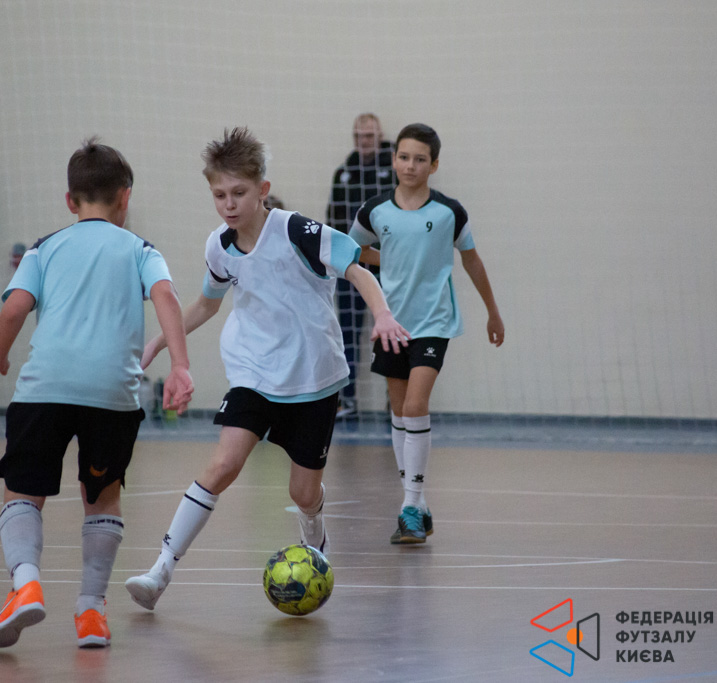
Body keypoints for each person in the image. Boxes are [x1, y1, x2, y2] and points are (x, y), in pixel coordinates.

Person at [124, 127, 409, 611]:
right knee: (223, 464)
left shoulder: (299, 232)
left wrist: (382, 314)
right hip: (253, 373)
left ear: (263, 189)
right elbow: (207, 304)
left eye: (238, 193)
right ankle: (161, 570)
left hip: (314, 378)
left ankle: (314, 531)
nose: (229, 204)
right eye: (219, 195)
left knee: (304, 492)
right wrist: (159, 341)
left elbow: (358, 270)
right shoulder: (219, 245)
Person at [0, 138, 193, 649]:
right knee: (103, 496)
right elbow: (166, 296)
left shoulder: (44, 248)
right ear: (126, 197)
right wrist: (180, 366)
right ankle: (92, 610)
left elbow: (14, 309)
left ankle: (26, 583)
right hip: (112, 393)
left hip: (44, 389)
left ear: (70, 200)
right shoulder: (140, 249)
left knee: (23, 490)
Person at [350, 123, 504, 544]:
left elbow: (471, 261)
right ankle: (417, 505)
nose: (410, 165)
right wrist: (387, 258)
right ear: (393, 160)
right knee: (400, 413)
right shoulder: (375, 210)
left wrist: (493, 312)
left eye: (420, 159)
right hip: (391, 322)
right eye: (404, 157)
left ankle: (410, 506)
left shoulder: (449, 212)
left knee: (416, 406)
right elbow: (352, 250)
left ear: (434, 165)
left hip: (434, 322)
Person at [327, 113, 397, 419]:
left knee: (392, 326)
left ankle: (395, 398)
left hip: (386, 261)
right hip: (350, 262)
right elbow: (333, 217)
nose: (363, 141)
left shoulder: (394, 169)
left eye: (369, 136)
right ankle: (347, 399)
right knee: (347, 329)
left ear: (379, 136)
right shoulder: (344, 172)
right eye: (358, 136)